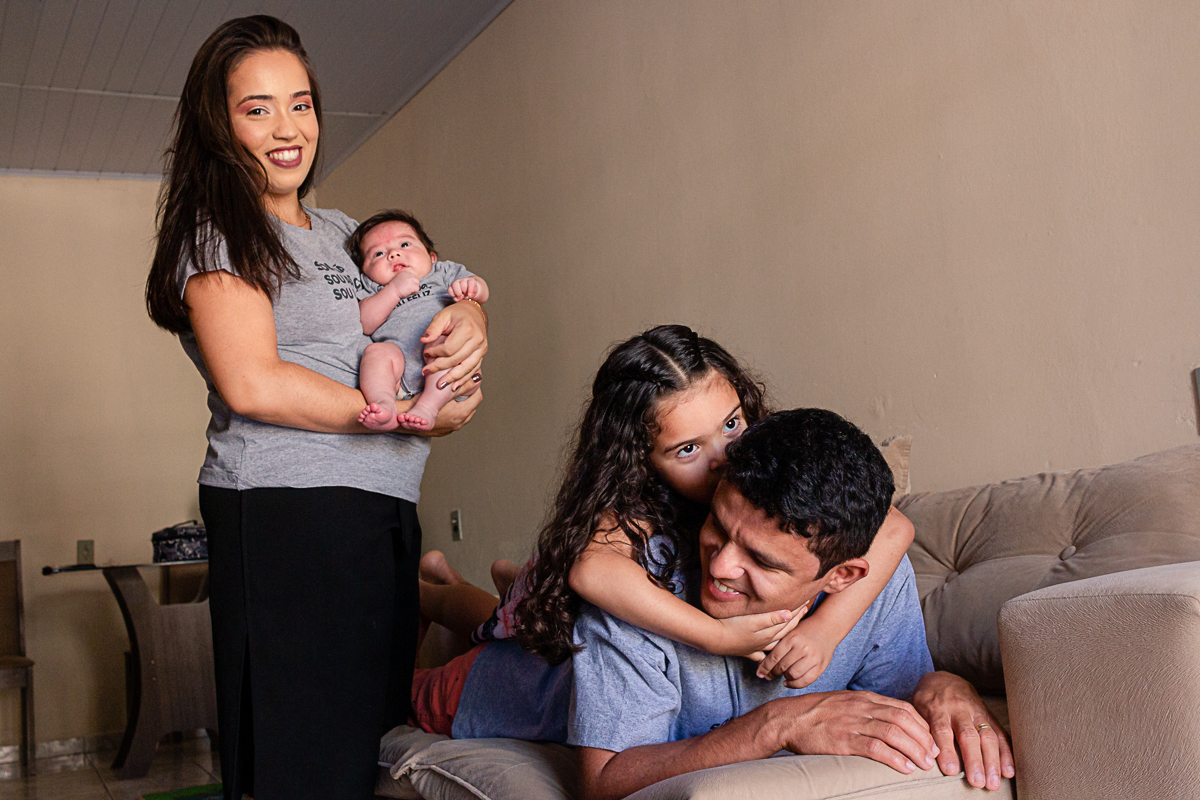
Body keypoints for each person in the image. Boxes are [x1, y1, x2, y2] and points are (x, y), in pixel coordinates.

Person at [143, 16, 487, 800]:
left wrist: (471, 320)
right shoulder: (218, 232)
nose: (288, 128)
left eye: (300, 103)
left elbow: (438, 284)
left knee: (369, 748)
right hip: (284, 509)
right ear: (219, 124)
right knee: (302, 765)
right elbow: (253, 383)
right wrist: (407, 415)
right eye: (257, 108)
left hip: (383, 505)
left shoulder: (341, 234)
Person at [415, 409, 1014, 795]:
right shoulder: (637, 590)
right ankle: (425, 596)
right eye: (718, 527)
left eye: (763, 560)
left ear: (843, 575)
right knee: (392, 685)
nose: (722, 565)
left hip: (562, 641)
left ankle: (460, 587)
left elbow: (897, 698)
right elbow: (603, 783)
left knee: (511, 609)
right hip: (516, 680)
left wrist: (947, 685)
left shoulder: (875, 583)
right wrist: (777, 723)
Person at [422, 324, 915, 694]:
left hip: (575, 583)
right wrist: (716, 639)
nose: (723, 458)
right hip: (568, 594)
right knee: (510, 624)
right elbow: (592, 572)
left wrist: (826, 630)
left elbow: (893, 527)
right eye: (687, 450)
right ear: (640, 457)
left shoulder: (769, 467)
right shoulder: (632, 506)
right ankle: (433, 592)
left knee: (524, 599)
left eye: (731, 424)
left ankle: (509, 578)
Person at [347, 210, 490, 432]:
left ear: (431, 256)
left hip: (452, 376)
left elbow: (480, 290)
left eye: (404, 245)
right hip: (399, 376)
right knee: (376, 352)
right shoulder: (372, 288)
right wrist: (393, 290)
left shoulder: (442, 272)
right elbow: (365, 323)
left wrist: (473, 288)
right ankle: (385, 403)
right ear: (365, 272)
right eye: (378, 254)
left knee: (443, 339)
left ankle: (428, 407)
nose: (393, 254)